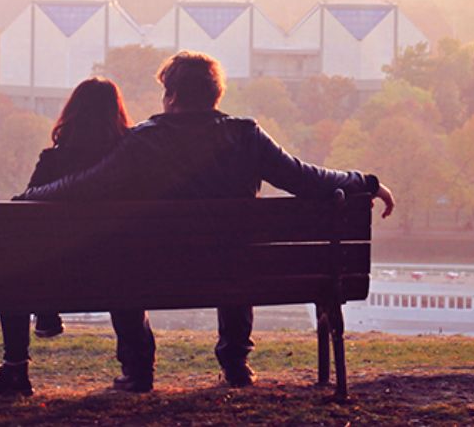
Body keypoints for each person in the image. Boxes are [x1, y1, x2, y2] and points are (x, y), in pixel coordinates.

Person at [20, 50, 394, 393]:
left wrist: (31, 197)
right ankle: (235, 363)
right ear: (215, 95)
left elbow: (87, 186)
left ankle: (138, 369)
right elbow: (307, 179)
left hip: (153, 272)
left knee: (124, 258)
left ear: (172, 96)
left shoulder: (143, 142)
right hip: (233, 271)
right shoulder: (246, 136)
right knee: (235, 253)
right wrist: (366, 183)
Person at [0, 77, 133, 398]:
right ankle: (138, 369)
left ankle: (16, 369)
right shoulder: (128, 163)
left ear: (71, 113)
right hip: (118, 274)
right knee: (121, 260)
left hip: (55, 279)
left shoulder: (53, 161)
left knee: (13, 267)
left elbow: (22, 215)